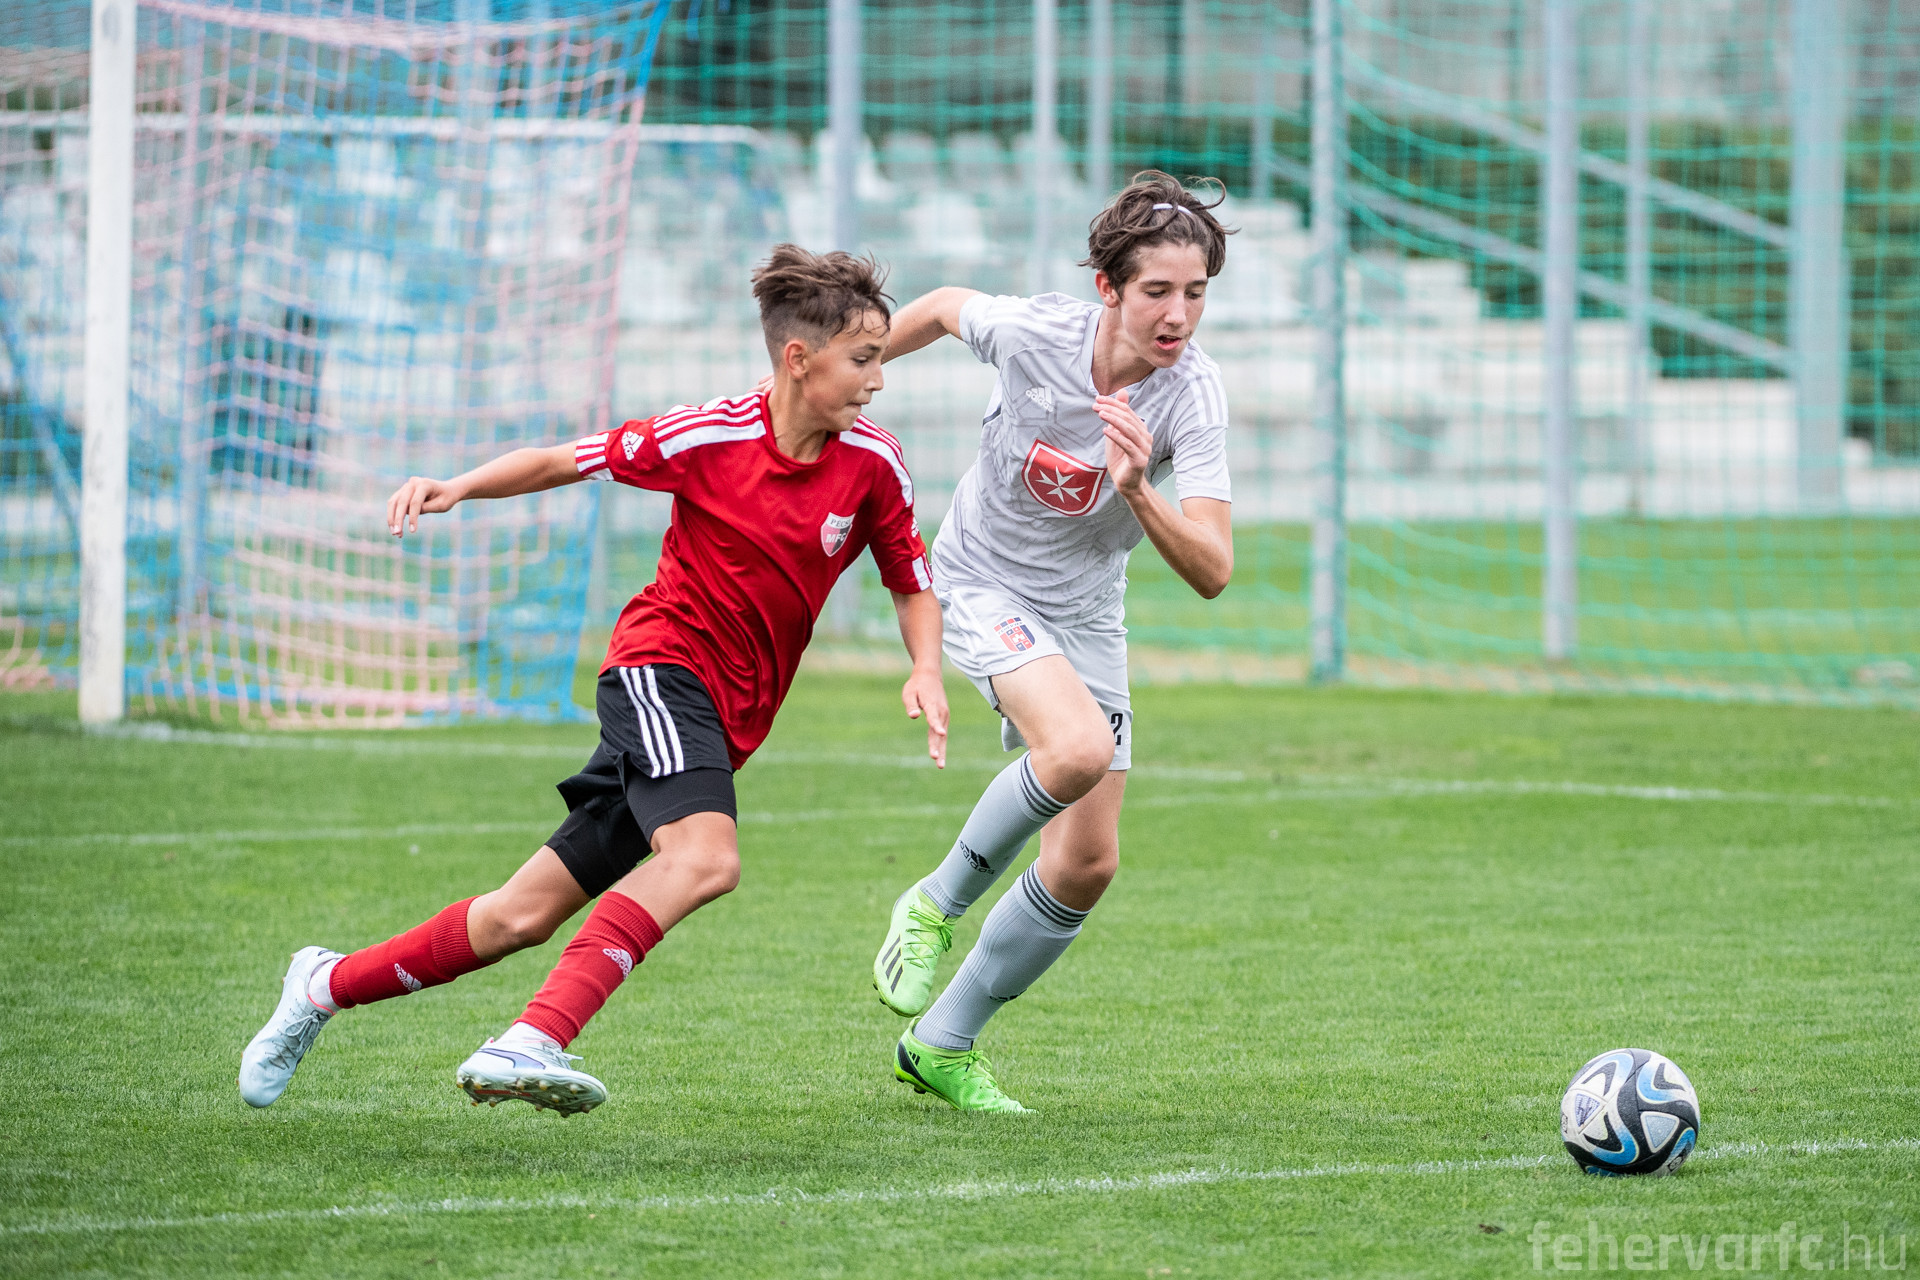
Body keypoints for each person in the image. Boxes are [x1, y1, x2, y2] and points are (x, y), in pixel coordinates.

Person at [239, 245, 947, 1115]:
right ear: (799, 359)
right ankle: (532, 1038)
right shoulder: (706, 436)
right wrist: (458, 487)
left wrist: (925, 668)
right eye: (864, 358)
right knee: (705, 859)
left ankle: (322, 984)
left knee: (519, 917)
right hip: (661, 668)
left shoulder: (875, 463)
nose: (879, 379)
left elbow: (909, 578)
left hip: (726, 718)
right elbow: (560, 461)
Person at [870, 172, 1235, 1113]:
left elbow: (1213, 568)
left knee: (1085, 863)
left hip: (1088, 612)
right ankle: (934, 902)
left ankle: (941, 1044)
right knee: (1075, 750)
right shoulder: (1036, 333)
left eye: (1196, 293)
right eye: (1157, 290)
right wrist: (851, 367)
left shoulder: (1192, 395)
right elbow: (944, 308)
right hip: (981, 580)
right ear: (1108, 288)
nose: (1178, 314)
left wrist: (1138, 489)